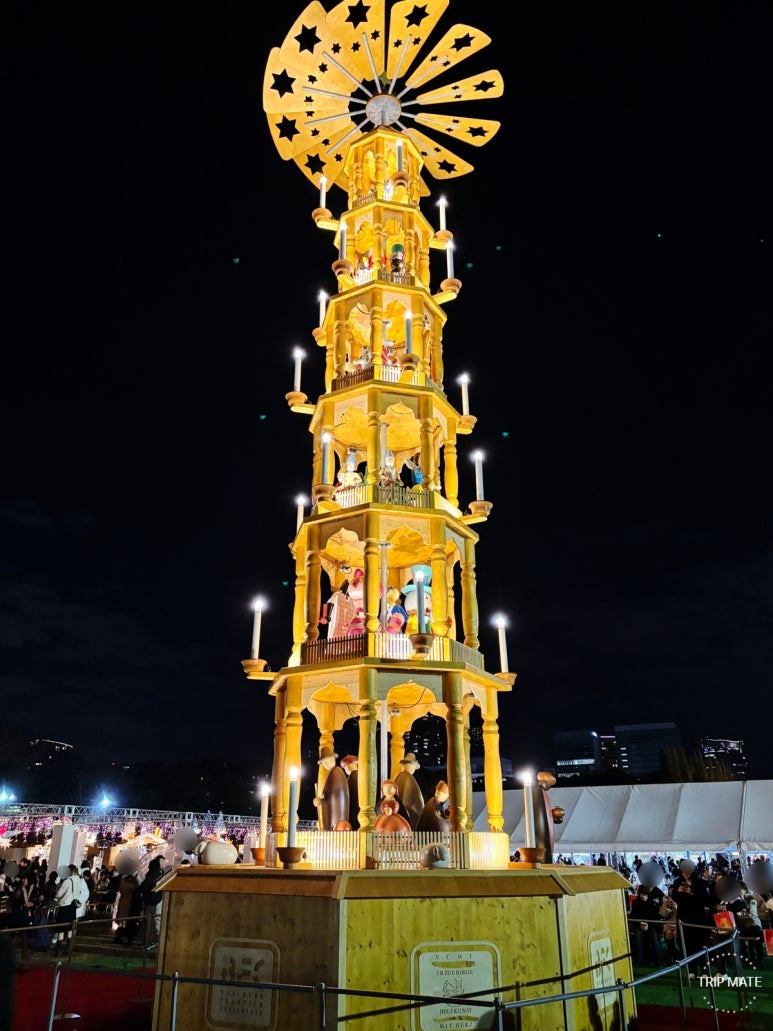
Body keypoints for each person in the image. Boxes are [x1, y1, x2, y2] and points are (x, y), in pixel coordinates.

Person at [313, 747, 349, 831]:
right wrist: (320, 800)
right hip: (331, 816)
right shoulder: (330, 775)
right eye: (324, 763)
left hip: (337, 817)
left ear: (333, 759)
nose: (326, 764)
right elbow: (329, 796)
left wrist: (322, 800)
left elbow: (335, 796)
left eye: (328, 760)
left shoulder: (337, 773)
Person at [52, 865, 84, 953]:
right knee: (70, 928)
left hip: (64, 906)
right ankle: (68, 949)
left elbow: (59, 894)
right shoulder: (79, 880)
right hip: (73, 907)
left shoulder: (67, 881)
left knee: (61, 929)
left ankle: (58, 949)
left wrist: (58, 888)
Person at [140, 856, 166, 949]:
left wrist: (139, 888)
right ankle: (150, 940)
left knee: (149, 921)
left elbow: (145, 885)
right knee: (152, 921)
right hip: (156, 900)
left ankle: (149, 941)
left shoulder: (152, 873)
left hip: (150, 900)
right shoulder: (161, 874)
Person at [394, 754, 425, 830]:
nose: (414, 769)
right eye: (413, 767)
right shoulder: (409, 778)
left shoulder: (399, 776)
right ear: (410, 766)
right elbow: (416, 802)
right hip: (408, 819)